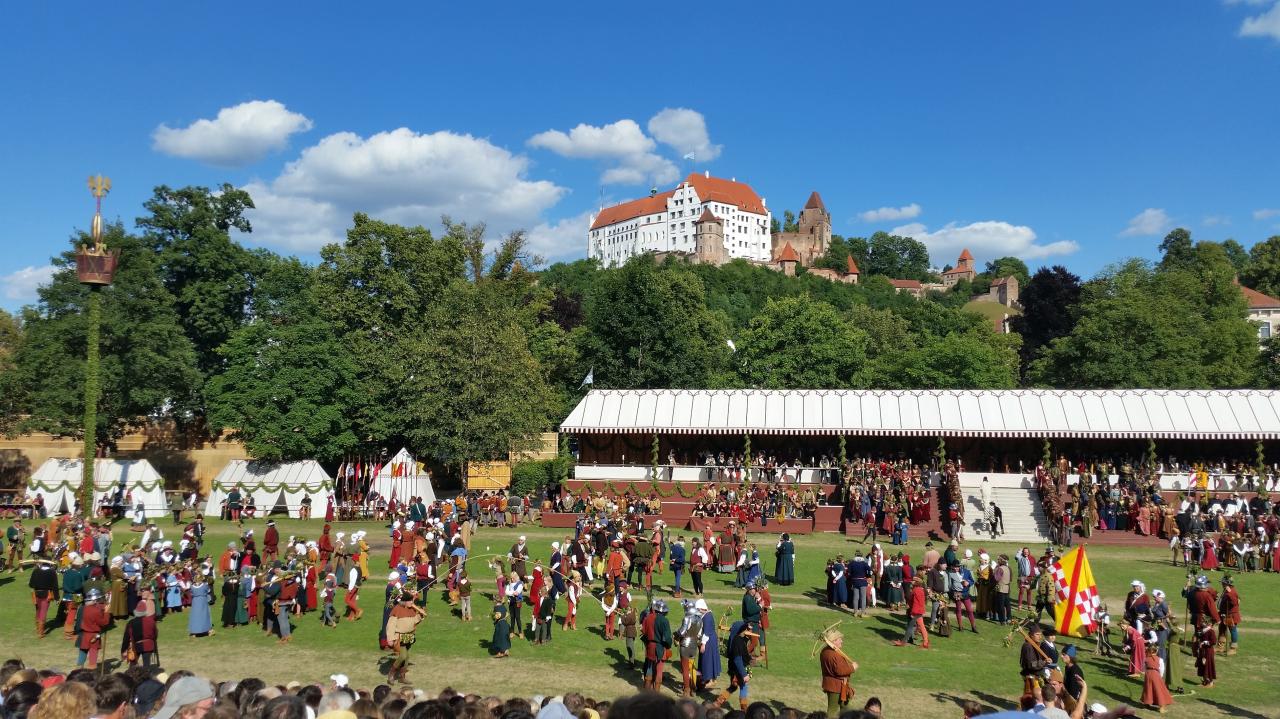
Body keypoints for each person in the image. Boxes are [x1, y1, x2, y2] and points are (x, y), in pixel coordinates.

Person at [385, 589, 427, 684]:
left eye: (412, 601)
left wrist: (420, 615)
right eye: (410, 601)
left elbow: (414, 621)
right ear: (404, 601)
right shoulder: (397, 609)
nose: (412, 603)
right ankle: (391, 674)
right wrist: (390, 638)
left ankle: (402, 677)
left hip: (409, 635)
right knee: (403, 656)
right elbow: (390, 625)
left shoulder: (411, 609)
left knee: (407, 657)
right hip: (400, 636)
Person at [820, 628, 857, 718]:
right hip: (836, 686)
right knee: (832, 710)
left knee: (845, 708)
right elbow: (840, 671)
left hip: (837, 685)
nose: (842, 641)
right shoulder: (834, 654)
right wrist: (853, 667)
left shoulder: (825, 651)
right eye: (839, 639)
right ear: (834, 641)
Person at [75, 588, 110, 669]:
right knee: (93, 658)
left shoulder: (81, 608)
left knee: (82, 655)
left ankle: (78, 673)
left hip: (83, 635)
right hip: (93, 636)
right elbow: (104, 622)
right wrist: (106, 612)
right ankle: (91, 674)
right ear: (95, 600)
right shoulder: (96, 611)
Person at [642, 599, 672, 690]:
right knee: (659, 670)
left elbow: (644, 632)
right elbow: (667, 638)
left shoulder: (648, 617)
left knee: (649, 668)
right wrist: (668, 646)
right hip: (660, 647)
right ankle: (656, 694)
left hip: (650, 646)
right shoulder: (664, 621)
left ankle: (647, 693)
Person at [893, 574, 929, 649]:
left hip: (916, 612)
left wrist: (913, 613)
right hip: (918, 611)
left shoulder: (917, 590)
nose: (911, 581)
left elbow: (917, 603)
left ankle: (903, 642)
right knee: (921, 626)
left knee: (910, 627)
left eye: (913, 580)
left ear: (917, 582)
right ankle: (925, 642)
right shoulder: (918, 589)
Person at [675, 600, 703, 696]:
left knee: (685, 669)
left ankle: (686, 690)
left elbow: (682, 632)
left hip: (686, 645)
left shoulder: (687, 618)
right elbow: (699, 635)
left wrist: (676, 633)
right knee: (692, 668)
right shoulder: (699, 619)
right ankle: (693, 689)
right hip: (694, 645)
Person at [121, 600, 158, 667]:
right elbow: (155, 634)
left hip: (136, 646)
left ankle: (132, 675)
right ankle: (146, 676)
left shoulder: (131, 623)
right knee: (146, 665)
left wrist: (123, 650)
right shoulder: (151, 621)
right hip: (148, 645)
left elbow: (126, 638)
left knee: (133, 665)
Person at [28, 557, 57, 637]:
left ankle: (38, 628)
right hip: (46, 594)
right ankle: (41, 632)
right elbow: (55, 586)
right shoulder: (52, 572)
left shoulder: (36, 571)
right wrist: (57, 598)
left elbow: (31, 584)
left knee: (38, 610)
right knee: (43, 612)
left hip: (36, 593)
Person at [1141, 644, 1174, 713]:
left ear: (1149, 651)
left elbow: (1143, 668)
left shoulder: (1146, 659)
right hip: (1156, 675)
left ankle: (1147, 703)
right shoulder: (1160, 659)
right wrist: (1160, 676)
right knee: (1159, 690)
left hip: (1148, 675)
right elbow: (1161, 669)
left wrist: (1145, 672)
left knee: (1148, 689)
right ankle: (1161, 707)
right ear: (1156, 651)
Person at [1020, 625, 1049, 695]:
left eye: (1040, 635)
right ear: (1031, 635)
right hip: (1032, 676)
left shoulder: (1036, 644)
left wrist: (1046, 661)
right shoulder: (1028, 646)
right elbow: (1031, 664)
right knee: (1033, 696)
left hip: (1038, 674)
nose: (1040, 637)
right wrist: (1044, 662)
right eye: (1037, 634)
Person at [1217, 575, 1241, 656]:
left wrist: (1230, 593)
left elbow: (1234, 602)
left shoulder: (1232, 591)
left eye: (1223, 583)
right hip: (1224, 614)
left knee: (1232, 630)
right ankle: (1221, 647)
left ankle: (1233, 648)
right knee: (1222, 629)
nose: (1222, 584)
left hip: (1230, 615)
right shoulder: (1226, 590)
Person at [1195, 618, 1217, 688]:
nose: (1202, 623)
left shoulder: (1211, 631)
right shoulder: (1202, 630)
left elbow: (1213, 641)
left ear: (1209, 624)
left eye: (1204, 622)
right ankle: (1205, 681)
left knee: (1208, 666)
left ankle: (1210, 682)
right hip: (1203, 650)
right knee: (1202, 665)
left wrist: (1205, 642)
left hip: (1208, 651)